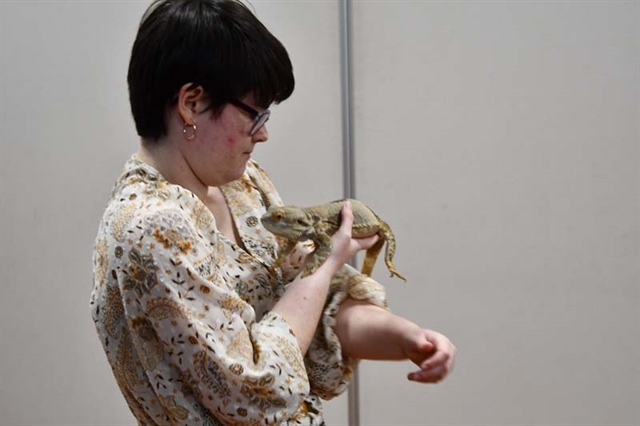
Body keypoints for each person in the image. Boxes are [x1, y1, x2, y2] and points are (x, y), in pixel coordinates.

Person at [90, 0, 456, 424]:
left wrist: (408, 339)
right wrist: (329, 259)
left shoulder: (243, 186)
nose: (263, 134)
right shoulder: (151, 226)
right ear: (191, 103)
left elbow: (312, 315)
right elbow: (258, 387)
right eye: (254, 114)